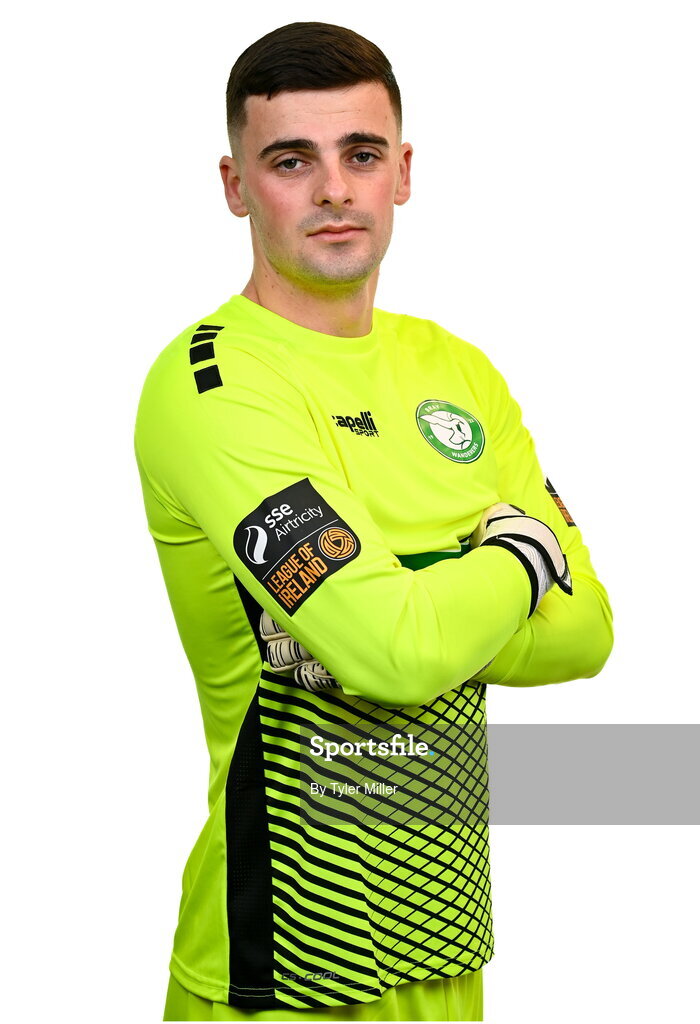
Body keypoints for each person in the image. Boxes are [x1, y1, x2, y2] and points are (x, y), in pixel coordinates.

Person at [134, 21, 613, 1023]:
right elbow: (394, 655)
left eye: (360, 155)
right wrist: (510, 552)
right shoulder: (209, 384)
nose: (332, 191)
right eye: (289, 160)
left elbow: (584, 633)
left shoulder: (457, 369)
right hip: (276, 974)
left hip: (441, 950)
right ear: (234, 186)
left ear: (402, 172)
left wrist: (407, 601)